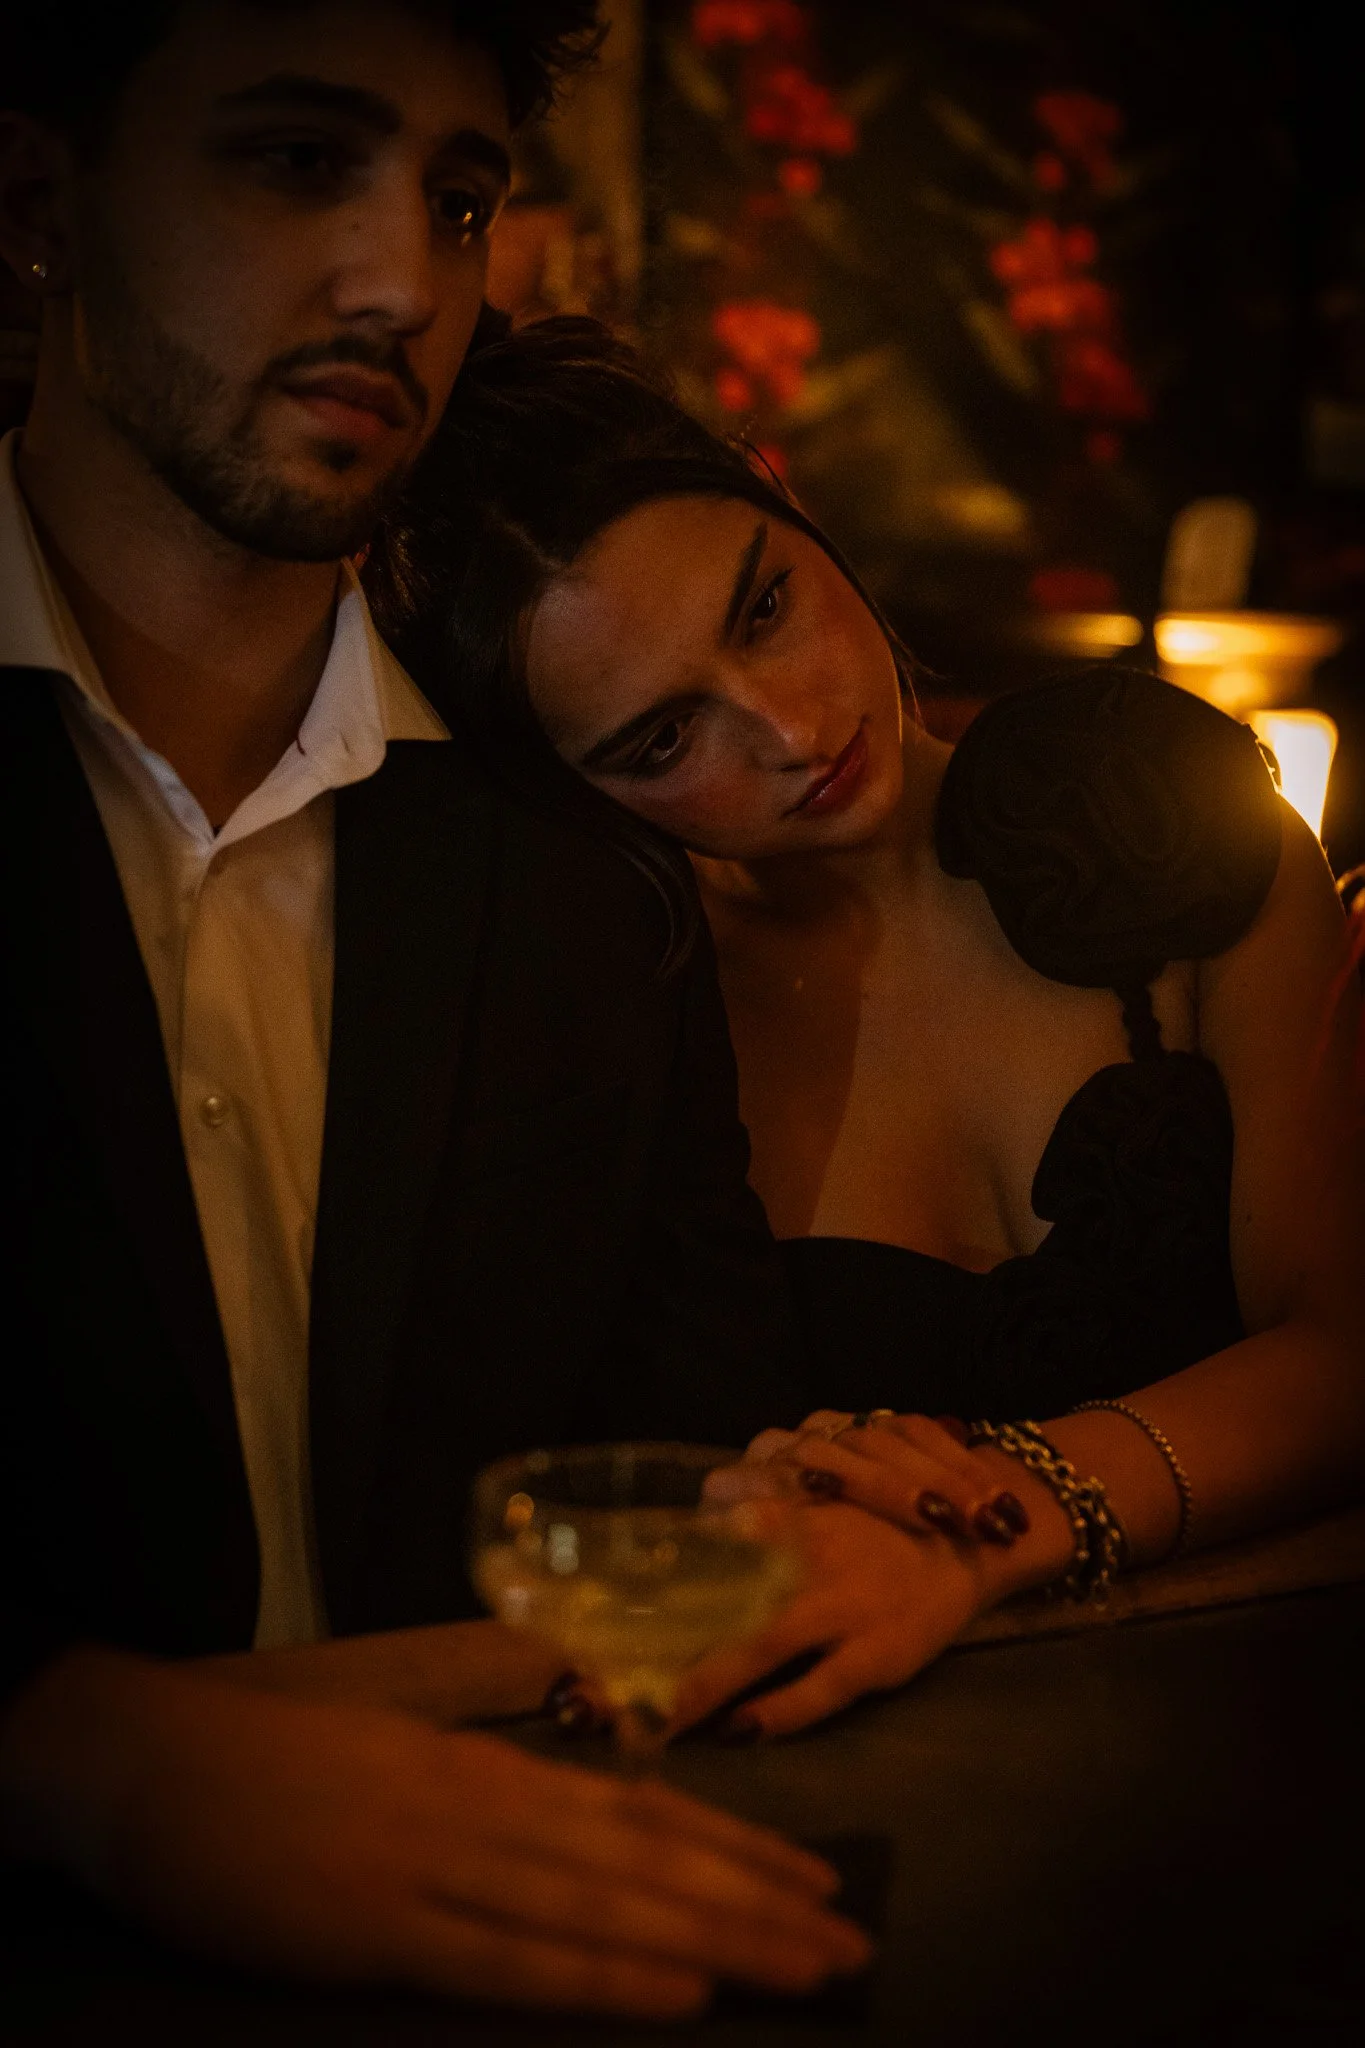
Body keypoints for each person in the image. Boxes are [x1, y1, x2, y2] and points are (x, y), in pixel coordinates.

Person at [0, 3, 873, 2015]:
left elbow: (699, 1470)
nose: (406, 280)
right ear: (41, 199)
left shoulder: (572, 860)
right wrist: (76, 1748)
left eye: (460, 198)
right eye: (297, 160)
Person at [369, 313, 1365, 1738]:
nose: (786, 725)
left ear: (797, 510)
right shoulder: (615, 1030)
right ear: (581, 797)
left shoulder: (1160, 818)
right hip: (852, 1773)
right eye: (664, 739)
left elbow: (1346, 1347)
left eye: (765, 605)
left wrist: (999, 1513)